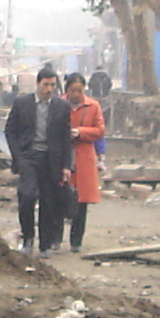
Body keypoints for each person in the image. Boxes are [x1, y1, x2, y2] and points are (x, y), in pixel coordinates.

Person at [4, 64, 73, 256]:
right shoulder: (22, 103)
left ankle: (45, 244)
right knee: (27, 196)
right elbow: (10, 131)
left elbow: (65, 138)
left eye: (52, 85)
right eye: (45, 85)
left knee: (48, 202)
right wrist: (18, 156)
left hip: (51, 159)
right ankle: (27, 237)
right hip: (28, 157)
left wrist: (67, 166)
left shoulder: (62, 107)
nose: (49, 89)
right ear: (38, 84)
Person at [60, 71, 104, 252]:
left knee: (81, 201)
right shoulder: (58, 105)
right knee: (58, 197)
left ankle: (76, 241)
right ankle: (55, 238)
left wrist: (80, 132)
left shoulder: (93, 106)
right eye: (73, 90)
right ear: (67, 90)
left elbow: (100, 131)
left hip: (84, 157)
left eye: (80, 90)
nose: (76, 94)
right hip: (62, 155)